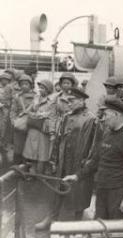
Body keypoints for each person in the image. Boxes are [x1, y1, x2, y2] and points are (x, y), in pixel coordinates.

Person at [64, 97, 123, 220]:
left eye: (106, 115)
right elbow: (96, 161)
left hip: (118, 192)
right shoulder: (106, 133)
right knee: (100, 226)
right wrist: (77, 176)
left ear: (116, 114)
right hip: (102, 189)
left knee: (116, 230)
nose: (103, 118)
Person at [35, 87, 97, 230]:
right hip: (64, 161)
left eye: (72, 101)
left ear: (82, 101)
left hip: (78, 163)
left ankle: (76, 224)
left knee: (79, 194)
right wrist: (53, 160)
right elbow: (58, 139)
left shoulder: (91, 119)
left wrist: (85, 165)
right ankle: (51, 218)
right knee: (57, 190)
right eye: (68, 101)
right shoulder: (66, 117)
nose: (69, 104)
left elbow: (93, 146)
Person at [22, 79, 55, 174]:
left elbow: (52, 114)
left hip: (44, 130)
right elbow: (29, 111)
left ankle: (40, 174)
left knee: (42, 154)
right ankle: (32, 172)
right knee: (32, 153)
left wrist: (38, 115)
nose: (40, 90)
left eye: (43, 88)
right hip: (34, 129)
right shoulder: (36, 98)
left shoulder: (52, 100)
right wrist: (36, 114)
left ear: (48, 90)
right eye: (40, 87)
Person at [10, 74, 36, 165]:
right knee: (18, 146)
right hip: (19, 124)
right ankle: (16, 167)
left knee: (30, 147)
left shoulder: (36, 96)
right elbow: (13, 110)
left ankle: (27, 168)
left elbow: (37, 109)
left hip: (32, 124)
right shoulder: (17, 97)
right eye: (22, 84)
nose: (24, 86)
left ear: (30, 85)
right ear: (19, 85)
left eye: (26, 84)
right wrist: (14, 121)